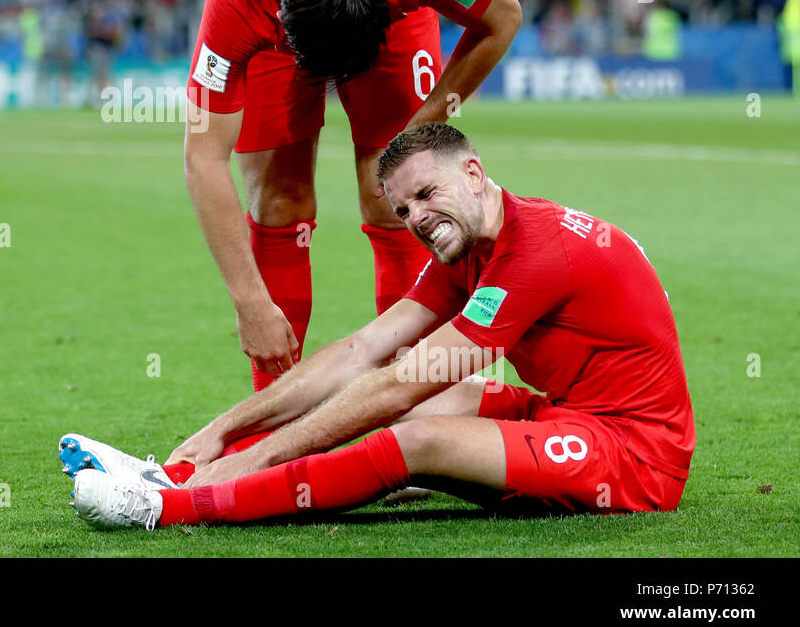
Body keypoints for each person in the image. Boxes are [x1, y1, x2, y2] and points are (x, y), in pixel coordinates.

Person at [62, 122, 694, 529]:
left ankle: (173, 507)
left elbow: (401, 383)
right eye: (403, 209)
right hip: (565, 413)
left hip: (634, 453)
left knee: (417, 434)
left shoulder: (537, 253)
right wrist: (220, 431)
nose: (416, 218)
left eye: (426, 193)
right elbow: (364, 351)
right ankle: (169, 471)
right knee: (418, 404)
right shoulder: (469, 242)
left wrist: (257, 458)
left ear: (474, 174)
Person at [184, 0, 522, 405]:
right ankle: (277, 412)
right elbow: (203, 159)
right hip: (277, 10)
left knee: (399, 192)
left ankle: (415, 402)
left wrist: (427, 121)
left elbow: (503, 15)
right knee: (279, 199)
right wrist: (250, 304)